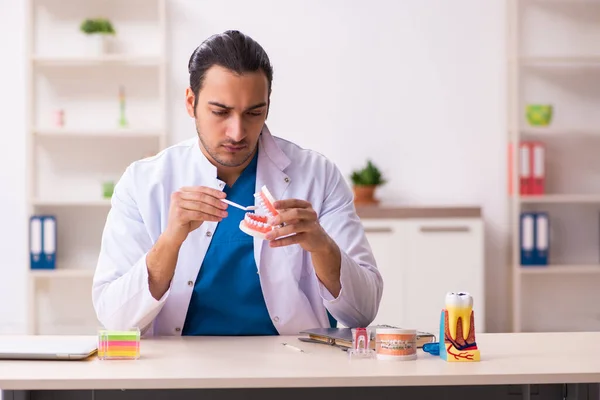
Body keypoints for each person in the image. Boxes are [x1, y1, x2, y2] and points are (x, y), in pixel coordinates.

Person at [92, 30, 383, 336]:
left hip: (292, 369)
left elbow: (363, 311)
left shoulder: (317, 176)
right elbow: (115, 320)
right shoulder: (143, 182)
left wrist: (322, 246)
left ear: (267, 106)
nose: (237, 132)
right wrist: (169, 242)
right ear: (191, 103)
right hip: (180, 373)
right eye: (220, 112)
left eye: (254, 113)